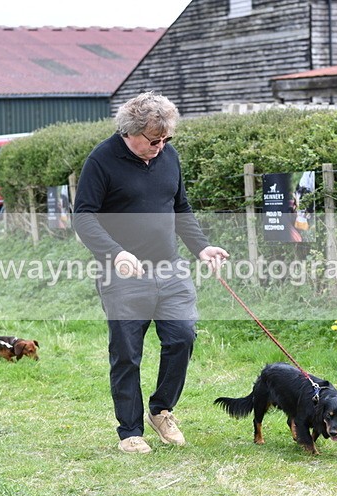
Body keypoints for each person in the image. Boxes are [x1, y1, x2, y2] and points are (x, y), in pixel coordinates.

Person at [73, 92, 228, 453]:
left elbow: (180, 208)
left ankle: (161, 409)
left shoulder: (167, 155)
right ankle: (130, 431)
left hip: (171, 268)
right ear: (130, 133)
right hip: (123, 274)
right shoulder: (102, 160)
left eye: (165, 140)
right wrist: (115, 253)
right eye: (153, 141)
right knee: (127, 351)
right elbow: (84, 217)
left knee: (182, 337)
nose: (160, 147)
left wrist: (201, 247)